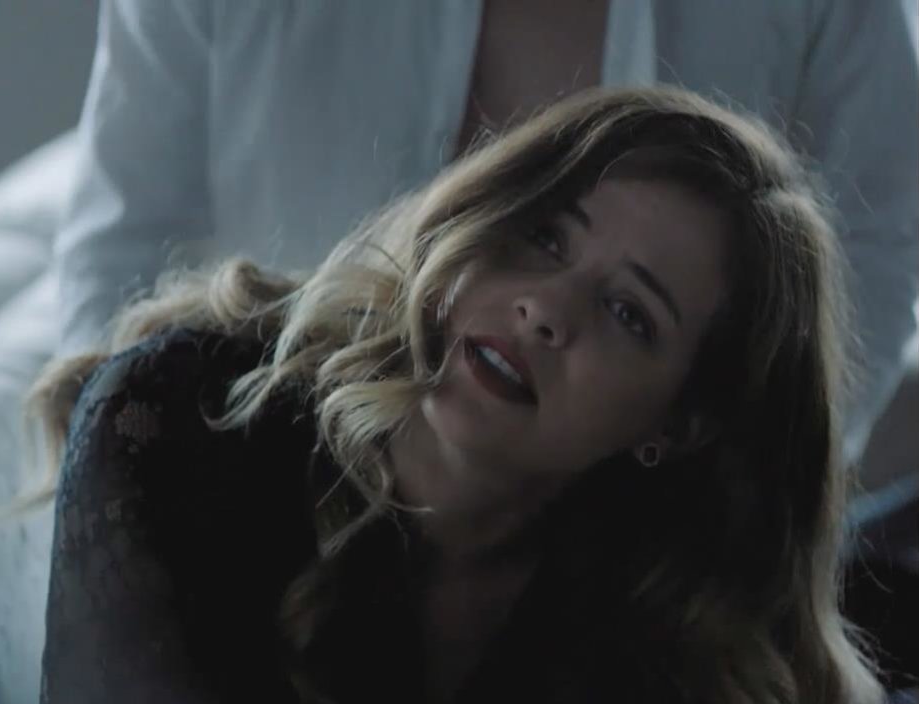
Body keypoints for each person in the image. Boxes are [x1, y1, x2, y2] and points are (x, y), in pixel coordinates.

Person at [29, 87, 888, 704]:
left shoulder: (659, 640)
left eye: (629, 313)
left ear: (680, 423)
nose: (546, 309)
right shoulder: (177, 421)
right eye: (545, 237)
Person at [54, 0, 919, 466]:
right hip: (259, 465)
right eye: (546, 237)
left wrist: (723, 519)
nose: (541, 305)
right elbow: (121, 246)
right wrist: (134, 483)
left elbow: (877, 255)